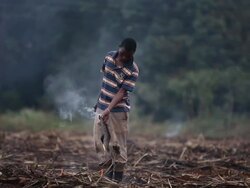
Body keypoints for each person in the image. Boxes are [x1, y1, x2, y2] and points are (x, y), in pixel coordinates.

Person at [93, 38, 139, 182]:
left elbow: (121, 93)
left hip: (118, 112)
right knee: (99, 142)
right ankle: (107, 178)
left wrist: (108, 109)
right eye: (123, 53)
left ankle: (117, 180)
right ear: (119, 48)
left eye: (129, 55)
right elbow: (105, 82)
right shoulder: (108, 57)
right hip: (101, 108)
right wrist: (98, 104)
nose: (125, 57)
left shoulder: (133, 70)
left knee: (117, 145)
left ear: (133, 54)